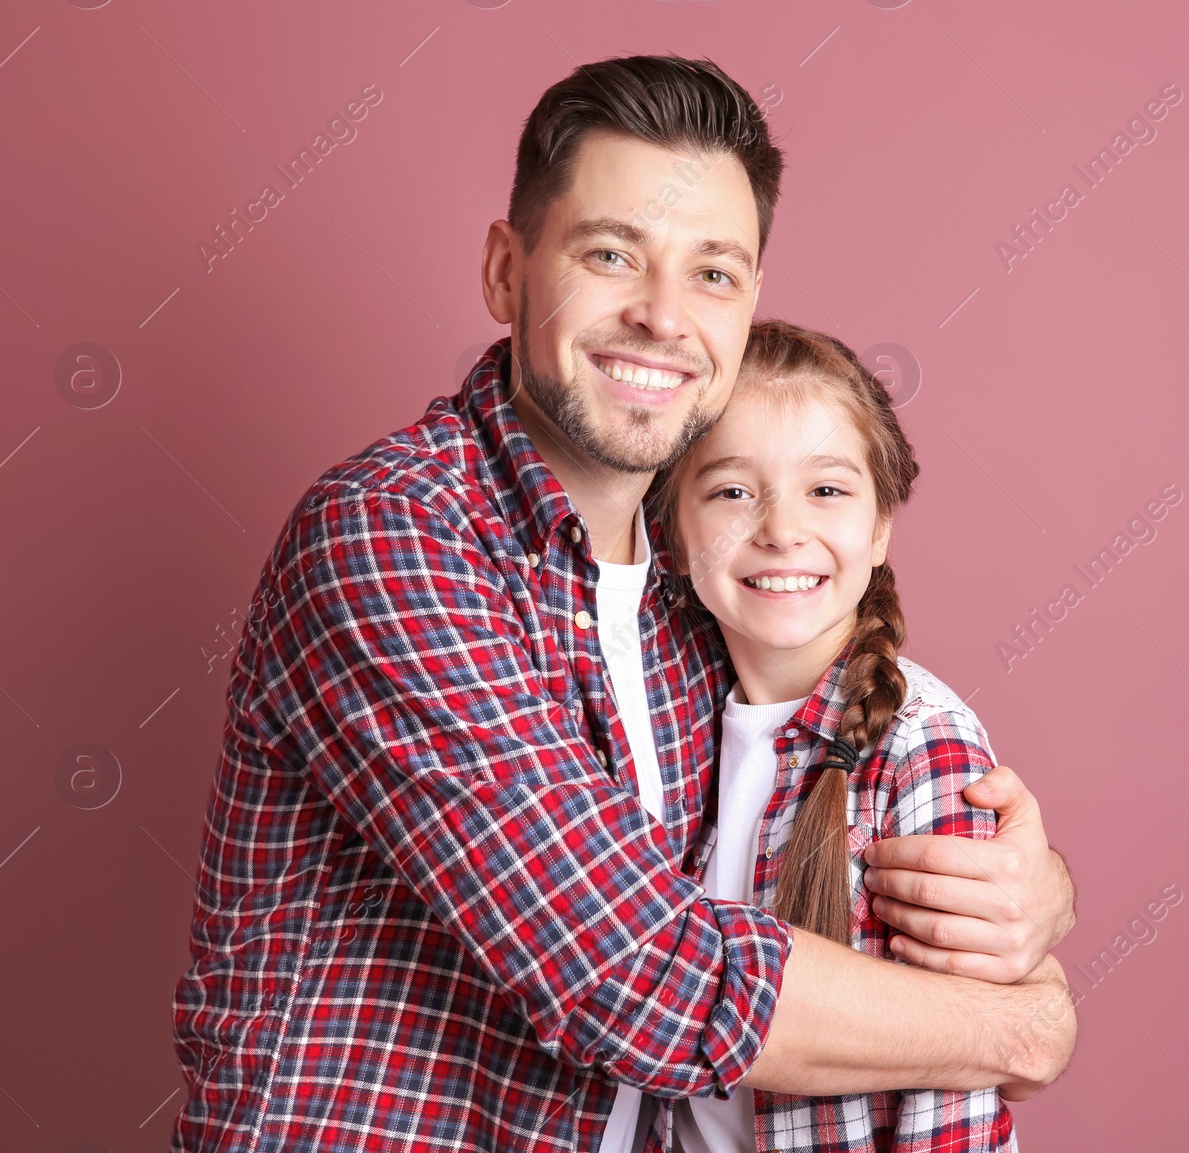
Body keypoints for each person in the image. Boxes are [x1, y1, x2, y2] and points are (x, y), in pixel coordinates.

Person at [171, 55, 1076, 1153]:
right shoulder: (395, 537)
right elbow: (624, 969)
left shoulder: (698, 598)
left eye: (713, 274)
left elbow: (830, 820)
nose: (660, 317)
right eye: (611, 254)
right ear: (507, 273)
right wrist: (1021, 1025)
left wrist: (1031, 896)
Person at [651, 318, 1020, 1152]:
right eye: (733, 491)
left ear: (881, 525)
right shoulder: (662, 719)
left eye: (826, 489)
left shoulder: (921, 748)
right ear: (671, 531)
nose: (781, 529)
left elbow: (956, 1065)